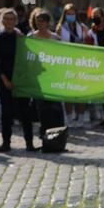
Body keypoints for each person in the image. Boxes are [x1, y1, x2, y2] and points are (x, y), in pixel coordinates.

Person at [0, 9, 36, 152]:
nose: (10, 21)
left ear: (16, 21)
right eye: (7, 19)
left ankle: (29, 142)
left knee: (25, 112)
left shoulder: (21, 38)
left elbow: (29, 58)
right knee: (6, 112)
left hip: (21, 80)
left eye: (12, 19)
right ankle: (6, 142)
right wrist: (5, 79)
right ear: (3, 21)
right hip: (5, 80)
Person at [28, 9, 66, 140]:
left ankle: (58, 131)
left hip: (52, 75)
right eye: (38, 21)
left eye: (42, 21)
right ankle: (44, 131)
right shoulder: (31, 37)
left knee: (55, 105)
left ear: (47, 23)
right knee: (41, 105)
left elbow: (61, 56)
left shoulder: (55, 38)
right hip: (38, 76)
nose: (40, 24)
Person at [56, 3, 88, 128]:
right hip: (67, 62)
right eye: (68, 14)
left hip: (81, 62)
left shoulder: (83, 27)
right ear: (65, 15)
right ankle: (69, 118)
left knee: (81, 91)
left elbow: (88, 43)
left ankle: (80, 117)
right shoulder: (60, 28)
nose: (71, 16)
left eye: (72, 14)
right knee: (68, 92)